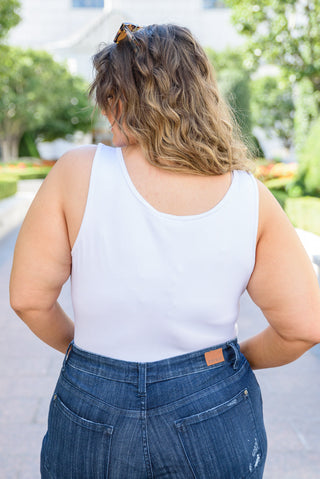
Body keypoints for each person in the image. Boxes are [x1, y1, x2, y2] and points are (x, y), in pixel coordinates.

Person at [9, 23, 320, 479]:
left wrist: (90, 360)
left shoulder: (77, 171)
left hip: (92, 400)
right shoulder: (251, 197)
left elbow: (27, 299)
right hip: (212, 398)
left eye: (110, 99)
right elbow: (304, 327)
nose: (106, 114)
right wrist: (227, 365)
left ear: (125, 101)